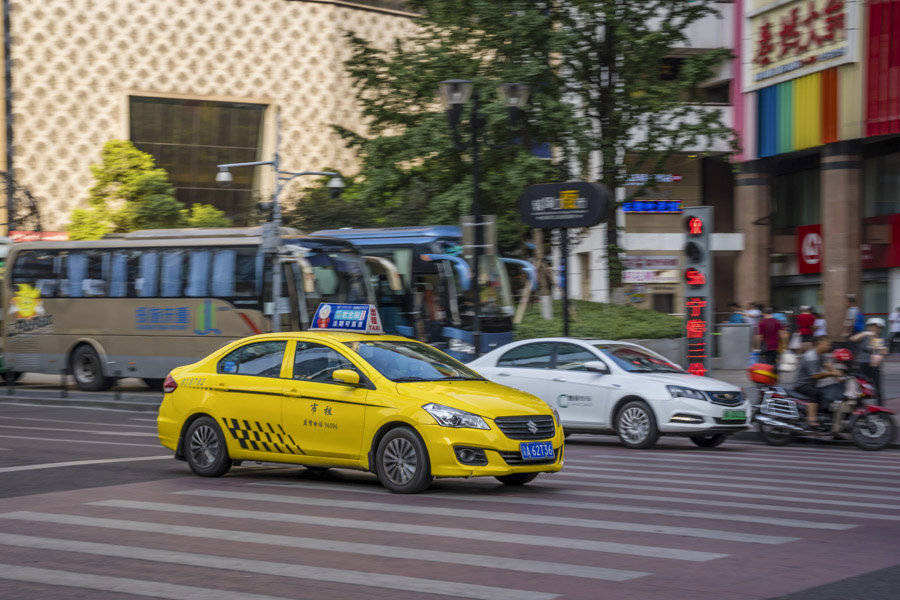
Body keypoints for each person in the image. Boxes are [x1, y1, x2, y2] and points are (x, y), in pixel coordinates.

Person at [794, 338, 843, 427]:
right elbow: (815, 376)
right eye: (827, 344)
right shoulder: (811, 357)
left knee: (825, 394)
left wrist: (838, 377)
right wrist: (832, 374)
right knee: (815, 393)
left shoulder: (820, 355)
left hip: (811, 384)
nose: (829, 347)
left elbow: (827, 365)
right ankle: (811, 420)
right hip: (802, 385)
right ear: (819, 344)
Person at [851, 317, 888, 406]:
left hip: (875, 365)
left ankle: (880, 408)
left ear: (880, 328)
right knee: (861, 386)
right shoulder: (864, 337)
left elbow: (885, 352)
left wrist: (879, 348)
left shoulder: (881, 339)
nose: (874, 329)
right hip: (862, 363)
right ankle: (859, 406)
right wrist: (865, 333)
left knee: (876, 387)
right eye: (872, 326)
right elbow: (853, 339)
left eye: (876, 327)